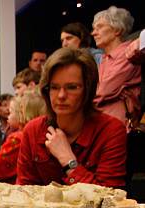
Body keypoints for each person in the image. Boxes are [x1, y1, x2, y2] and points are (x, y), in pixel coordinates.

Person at [17, 48, 126, 187]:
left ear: (87, 90)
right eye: (54, 87)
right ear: (46, 90)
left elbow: (108, 200)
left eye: (72, 87)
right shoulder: (33, 130)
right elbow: (25, 194)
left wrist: (68, 161)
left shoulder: (111, 130)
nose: (61, 96)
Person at [92, 6, 141, 125]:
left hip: (119, 125)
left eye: (100, 27)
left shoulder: (129, 54)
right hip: (102, 123)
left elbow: (103, 91)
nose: (93, 33)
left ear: (117, 30)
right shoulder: (104, 59)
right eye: (94, 29)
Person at [0, 91, 46, 183]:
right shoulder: (36, 134)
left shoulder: (17, 138)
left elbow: (2, 162)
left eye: (10, 113)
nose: (8, 117)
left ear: (21, 114)